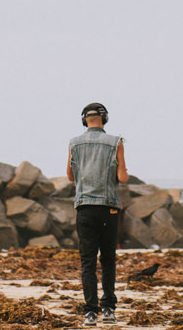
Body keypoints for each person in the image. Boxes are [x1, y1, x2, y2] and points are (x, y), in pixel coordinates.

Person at [67, 101, 128, 325]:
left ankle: (90, 312)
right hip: (109, 207)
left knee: (88, 262)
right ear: (105, 119)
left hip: (84, 207)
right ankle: (109, 308)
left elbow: (71, 176)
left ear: (85, 119)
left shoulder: (74, 143)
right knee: (108, 259)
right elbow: (122, 178)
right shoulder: (115, 142)